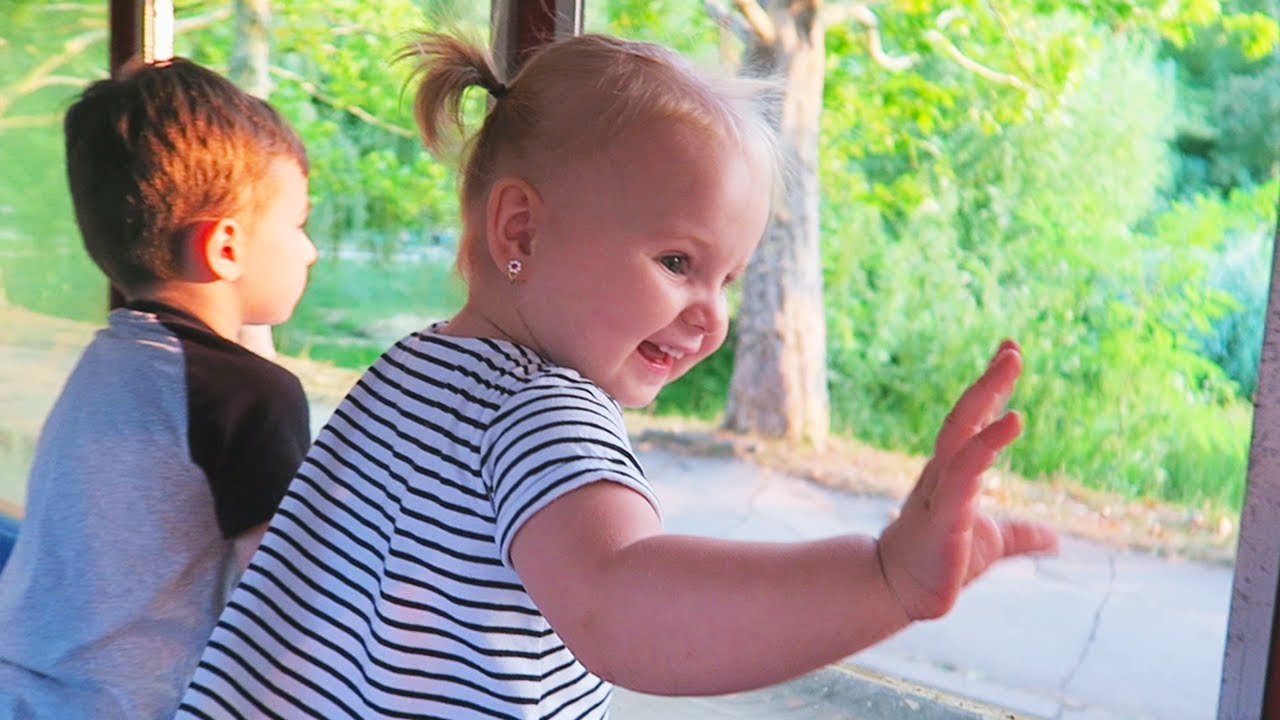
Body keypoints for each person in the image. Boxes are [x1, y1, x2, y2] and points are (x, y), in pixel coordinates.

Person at [177, 33, 1057, 720]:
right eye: (678, 259)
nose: (711, 313)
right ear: (519, 233)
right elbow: (621, 604)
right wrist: (882, 579)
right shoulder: (537, 409)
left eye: (730, 277)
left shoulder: (412, 372)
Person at [0, 58, 318, 720]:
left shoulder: (109, 360)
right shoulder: (251, 398)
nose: (309, 251)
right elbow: (286, 608)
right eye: (297, 224)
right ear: (225, 249)